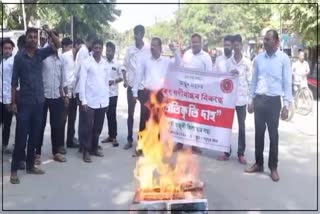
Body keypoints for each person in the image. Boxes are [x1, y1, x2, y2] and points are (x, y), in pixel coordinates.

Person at [10, 27, 61, 184]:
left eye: (35, 37)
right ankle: (14, 171)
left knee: (34, 136)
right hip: (25, 104)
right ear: (26, 39)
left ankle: (30, 165)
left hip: (39, 102)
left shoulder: (40, 53)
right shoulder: (19, 58)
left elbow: (57, 45)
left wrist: (50, 33)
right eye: (30, 37)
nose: (33, 39)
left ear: (38, 39)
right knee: (20, 138)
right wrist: (13, 102)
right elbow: (13, 82)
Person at [245, 30, 292, 182]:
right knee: (259, 134)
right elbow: (253, 81)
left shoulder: (284, 59)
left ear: (277, 42)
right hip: (259, 100)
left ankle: (273, 167)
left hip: (273, 102)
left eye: (268, 39)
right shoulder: (258, 59)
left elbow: (287, 82)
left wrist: (286, 105)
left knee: (273, 135)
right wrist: (251, 100)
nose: (264, 42)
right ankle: (259, 163)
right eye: (264, 39)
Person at [132, 37, 181, 156]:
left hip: (160, 95)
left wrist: (175, 51)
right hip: (147, 93)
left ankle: (156, 147)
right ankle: (141, 147)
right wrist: (134, 92)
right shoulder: (145, 60)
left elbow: (179, 63)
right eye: (151, 46)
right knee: (144, 120)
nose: (152, 48)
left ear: (160, 47)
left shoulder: (166, 61)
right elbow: (138, 76)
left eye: (155, 45)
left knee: (158, 120)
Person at [217, 34, 252, 164]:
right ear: (231, 47)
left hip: (242, 100)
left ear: (241, 46)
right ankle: (226, 151)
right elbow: (222, 81)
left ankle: (241, 153)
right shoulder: (227, 63)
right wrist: (229, 76)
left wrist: (250, 101)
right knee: (227, 127)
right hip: (229, 100)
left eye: (238, 45)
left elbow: (251, 81)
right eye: (234, 45)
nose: (236, 48)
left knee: (242, 127)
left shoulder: (247, 62)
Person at [175, 33, 212, 154]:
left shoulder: (206, 57)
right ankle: (180, 142)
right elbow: (181, 69)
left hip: (199, 94)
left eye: (197, 42)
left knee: (196, 120)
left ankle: (194, 144)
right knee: (183, 117)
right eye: (193, 42)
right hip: (185, 93)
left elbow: (210, 76)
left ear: (201, 43)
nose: (194, 44)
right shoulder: (187, 54)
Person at [36, 31, 66, 163]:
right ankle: (37, 153)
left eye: (56, 40)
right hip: (43, 97)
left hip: (56, 97)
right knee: (40, 125)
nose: (54, 43)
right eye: (52, 40)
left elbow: (61, 80)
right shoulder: (42, 55)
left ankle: (56, 152)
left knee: (57, 126)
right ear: (48, 41)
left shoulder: (61, 59)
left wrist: (64, 95)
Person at [78, 39, 109, 163]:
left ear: (102, 49)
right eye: (95, 47)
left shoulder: (105, 63)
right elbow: (82, 82)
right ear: (92, 49)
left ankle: (94, 148)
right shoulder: (86, 63)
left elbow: (106, 83)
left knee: (98, 127)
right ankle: (86, 151)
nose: (97, 50)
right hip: (90, 101)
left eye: (99, 48)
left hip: (102, 101)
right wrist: (83, 100)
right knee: (87, 127)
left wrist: (106, 100)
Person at [122, 25, 151, 150]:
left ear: (142, 35)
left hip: (143, 87)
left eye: (138, 33)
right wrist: (125, 80)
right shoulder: (130, 50)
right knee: (130, 113)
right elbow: (124, 66)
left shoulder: (148, 50)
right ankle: (129, 139)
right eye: (135, 33)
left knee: (144, 114)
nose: (136, 36)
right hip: (132, 86)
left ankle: (141, 140)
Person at [60, 38, 82, 151]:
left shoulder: (79, 58)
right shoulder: (64, 57)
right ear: (76, 45)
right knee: (62, 120)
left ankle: (70, 140)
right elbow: (62, 76)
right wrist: (65, 95)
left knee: (72, 119)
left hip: (74, 93)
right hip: (65, 93)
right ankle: (60, 145)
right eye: (80, 46)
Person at [101, 41, 124, 147]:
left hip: (113, 94)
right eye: (107, 51)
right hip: (103, 93)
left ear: (114, 51)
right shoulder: (103, 62)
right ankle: (109, 136)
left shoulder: (118, 63)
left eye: (109, 51)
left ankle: (113, 137)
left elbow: (122, 77)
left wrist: (113, 81)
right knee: (103, 115)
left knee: (112, 115)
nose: (107, 53)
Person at [1, 39, 15, 154]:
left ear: (12, 50)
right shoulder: (1, 61)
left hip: (9, 99)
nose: (7, 50)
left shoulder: (13, 62)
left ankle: (4, 145)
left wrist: (10, 101)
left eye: (9, 48)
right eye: (5, 48)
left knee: (7, 123)